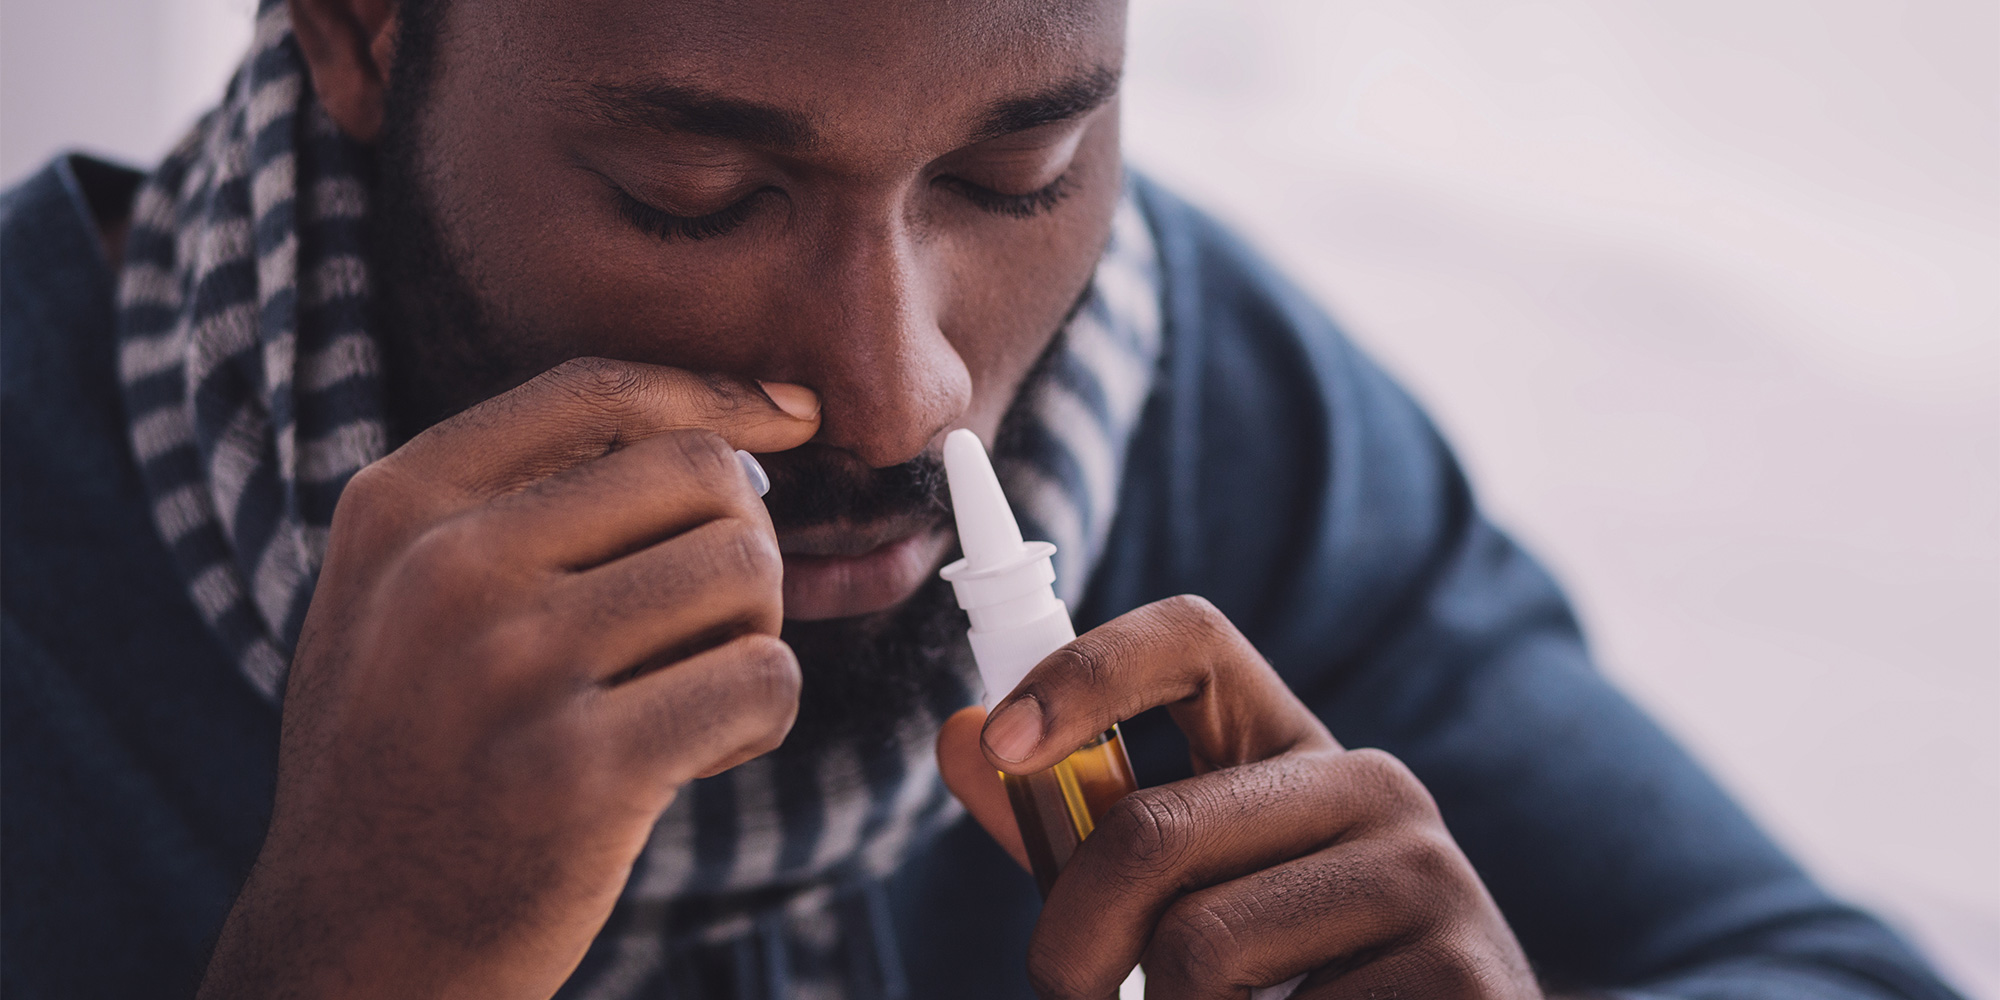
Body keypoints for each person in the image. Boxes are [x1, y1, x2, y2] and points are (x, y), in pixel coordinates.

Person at [0, 0, 1965, 997]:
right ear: (355, 26)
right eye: (698, 195)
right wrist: (361, 950)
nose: (904, 381)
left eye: (1020, 169)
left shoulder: (1214, 398)